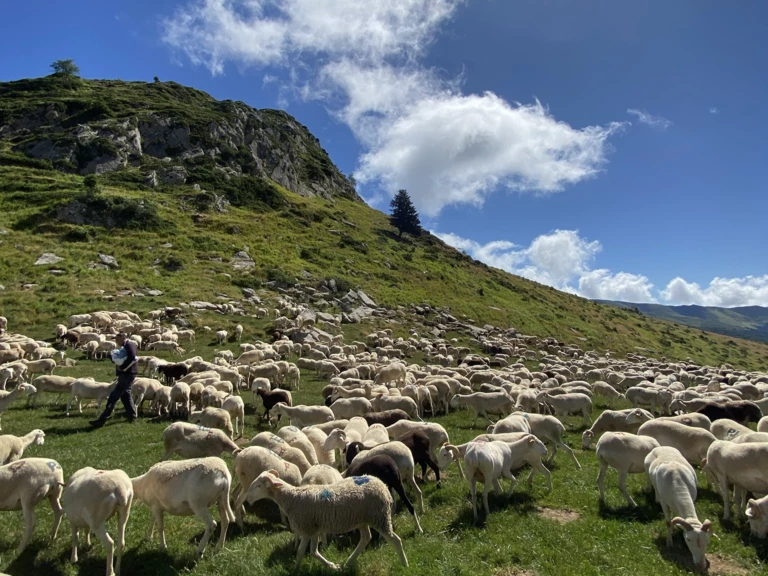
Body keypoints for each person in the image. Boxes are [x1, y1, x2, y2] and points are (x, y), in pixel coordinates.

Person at [89, 333, 138, 428]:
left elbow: (132, 357)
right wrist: (112, 357)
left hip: (127, 374)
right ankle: (132, 416)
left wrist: (123, 367)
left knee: (113, 396)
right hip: (125, 374)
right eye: (115, 339)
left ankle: (103, 419)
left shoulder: (129, 344)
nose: (116, 341)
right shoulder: (124, 346)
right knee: (125, 395)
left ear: (123, 338)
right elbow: (122, 358)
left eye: (118, 339)